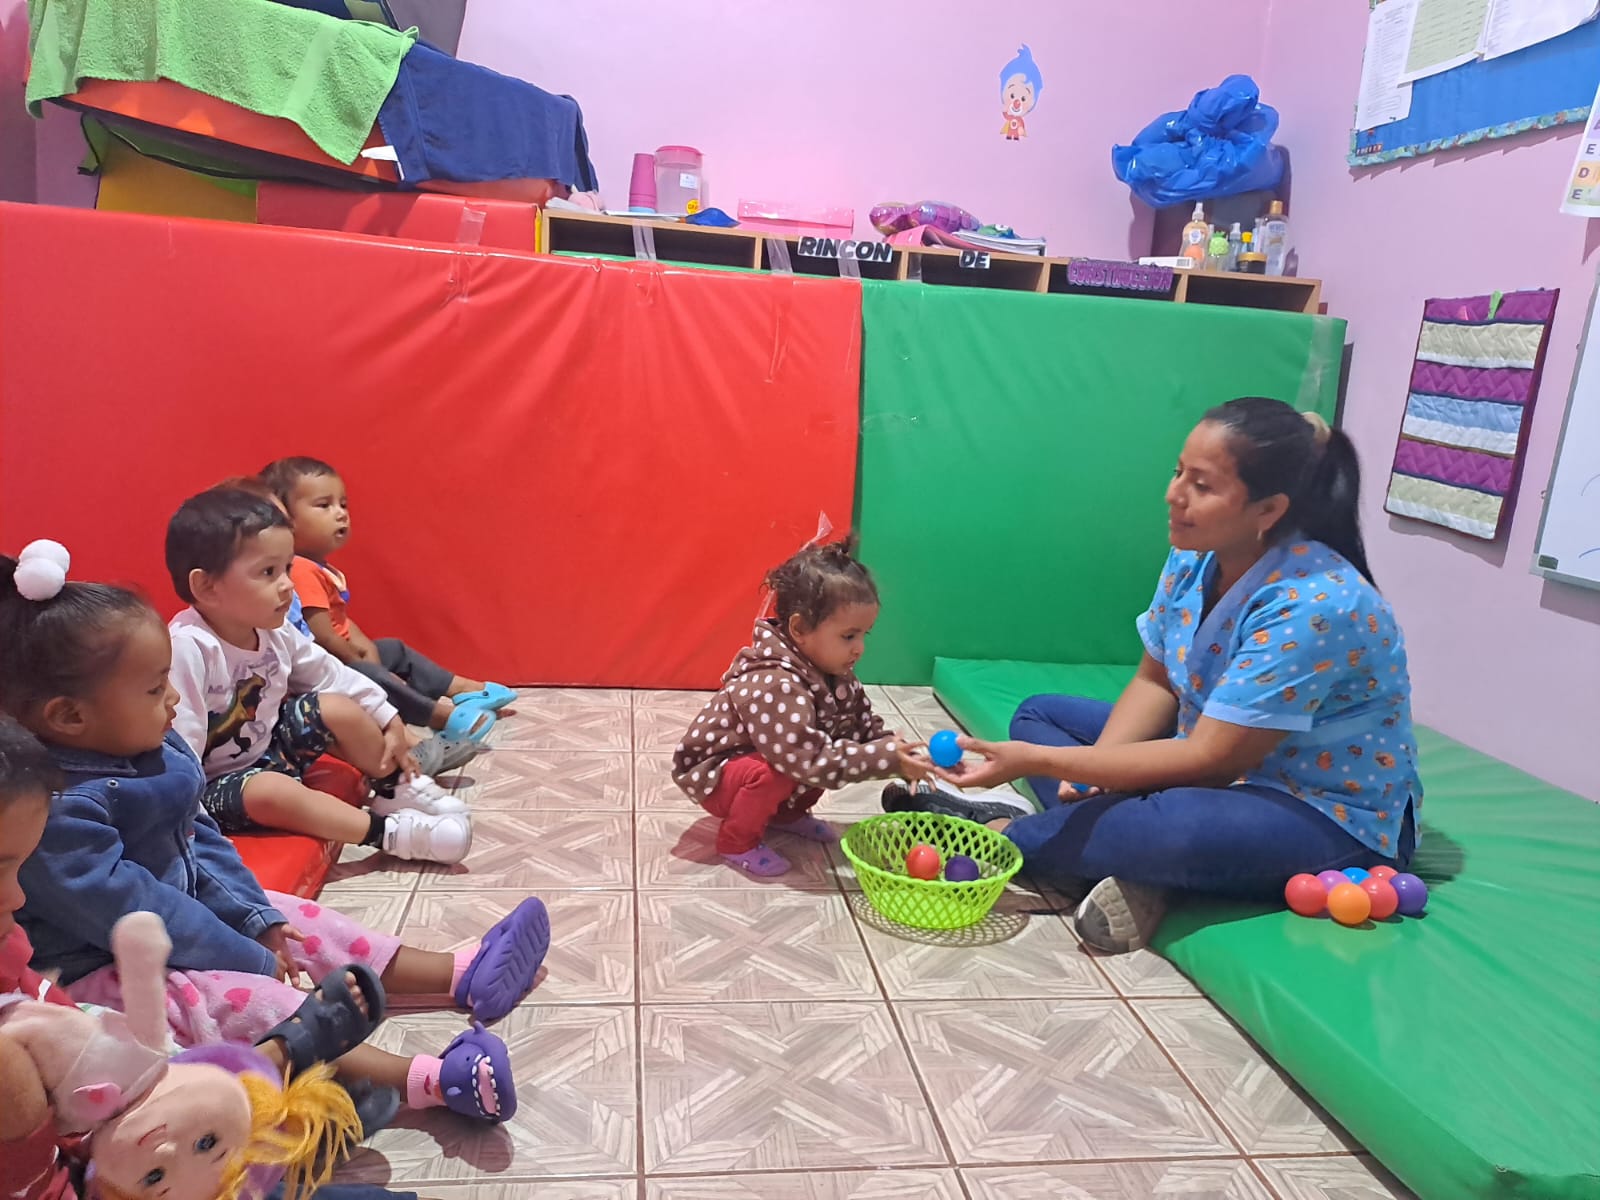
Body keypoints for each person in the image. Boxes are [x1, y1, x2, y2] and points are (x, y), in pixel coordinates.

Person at [0, 545, 553, 1125]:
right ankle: (429, 1081)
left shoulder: (145, 746)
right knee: (243, 1000)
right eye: (155, 688)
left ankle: (459, 974)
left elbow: (199, 837)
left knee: (295, 918)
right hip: (108, 967)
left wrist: (255, 919)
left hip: (185, 915)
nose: (174, 699)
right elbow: (141, 912)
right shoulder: (57, 810)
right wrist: (249, 958)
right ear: (69, 717)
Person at [899, 399, 1423, 953]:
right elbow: (1155, 682)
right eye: (1178, 472)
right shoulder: (1196, 554)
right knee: (1039, 716)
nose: (1173, 495)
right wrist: (1097, 771)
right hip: (1211, 761)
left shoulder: (1317, 603)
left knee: (1173, 827)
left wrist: (1042, 763)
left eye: (1201, 484)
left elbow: (1210, 759)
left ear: (1268, 509)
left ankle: (1009, 835)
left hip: (1321, 809)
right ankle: (1125, 853)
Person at [165, 487, 471, 864]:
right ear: (206, 587)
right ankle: (391, 834)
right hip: (217, 788)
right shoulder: (189, 648)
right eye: (268, 572)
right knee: (269, 790)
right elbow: (180, 749)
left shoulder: (274, 630)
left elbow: (333, 676)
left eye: (287, 569)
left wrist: (389, 719)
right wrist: (192, 830)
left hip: (270, 750)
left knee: (336, 706)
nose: (287, 585)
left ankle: (394, 787)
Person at [673, 539, 933, 876]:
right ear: (799, 629)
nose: (860, 648)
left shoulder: (835, 674)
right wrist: (883, 760)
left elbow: (862, 725)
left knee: (829, 737)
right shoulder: (775, 682)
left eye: (864, 635)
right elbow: (805, 759)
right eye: (849, 636)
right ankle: (736, 841)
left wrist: (900, 754)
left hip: (774, 755)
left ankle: (785, 814)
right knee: (790, 766)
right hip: (714, 774)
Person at [213, 476, 479, 781]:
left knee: (379, 660)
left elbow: (321, 651)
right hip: (262, 727)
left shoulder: (286, 601)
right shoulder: (200, 643)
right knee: (349, 689)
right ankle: (420, 736)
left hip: (302, 680)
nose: (287, 582)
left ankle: (433, 719)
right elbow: (320, 636)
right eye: (269, 571)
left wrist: (377, 690)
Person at [260, 457, 512, 738]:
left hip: (344, 653)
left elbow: (341, 620)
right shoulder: (301, 570)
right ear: (285, 519)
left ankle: (462, 689)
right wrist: (359, 660)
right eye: (324, 505)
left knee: (393, 649)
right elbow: (323, 635)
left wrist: (366, 649)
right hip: (327, 665)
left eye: (343, 504)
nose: (340, 514)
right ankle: (439, 716)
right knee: (373, 676)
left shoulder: (318, 567)